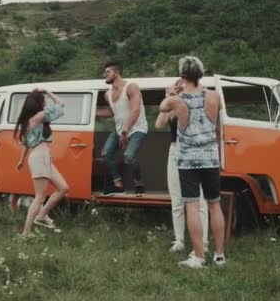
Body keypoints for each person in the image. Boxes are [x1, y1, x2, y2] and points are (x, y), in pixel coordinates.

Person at [159, 56, 226, 268]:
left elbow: (162, 108)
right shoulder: (215, 96)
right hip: (210, 157)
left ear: (182, 76)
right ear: (201, 73)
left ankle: (198, 257)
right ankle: (219, 255)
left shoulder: (177, 100)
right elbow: (218, 114)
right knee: (214, 205)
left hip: (188, 160)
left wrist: (171, 92)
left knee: (192, 206)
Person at [155, 81, 209, 253]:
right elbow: (159, 124)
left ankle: (204, 242)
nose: (179, 89)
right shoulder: (173, 105)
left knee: (199, 200)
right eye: (177, 87)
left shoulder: (199, 102)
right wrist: (169, 98)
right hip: (175, 150)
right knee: (177, 199)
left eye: (182, 86)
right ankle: (179, 240)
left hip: (194, 151)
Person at [14, 88, 69, 237]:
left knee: (63, 188)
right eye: (43, 100)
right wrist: (49, 92)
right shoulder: (40, 116)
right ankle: (25, 233)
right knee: (40, 197)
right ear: (39, 102)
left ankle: (42, 215)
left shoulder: (28, 121)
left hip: (42, 157)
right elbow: (61, 104)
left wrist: (21, 161)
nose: (45, 102)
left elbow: (26, 143)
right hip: (40, 157)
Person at [96, 61, 148, 196]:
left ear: (116, 72)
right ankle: (118, 184)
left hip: (137, 128)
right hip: (120, 130)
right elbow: (112, 112)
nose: (104, 75)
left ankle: (138, 183)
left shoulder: (131, 87)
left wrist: (126, 131)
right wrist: (92, 113)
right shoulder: (107, 94)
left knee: (129, 156)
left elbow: (135, 110)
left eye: (107, 72)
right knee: (106, 154)